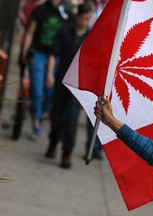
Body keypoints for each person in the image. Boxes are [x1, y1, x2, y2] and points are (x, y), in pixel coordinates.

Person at [44, 2, 93, 168]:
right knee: (57, 116)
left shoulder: (91, 38)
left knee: (71, 118)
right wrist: (50, 73)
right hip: (61, 82)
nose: (86, 22)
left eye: (89, 18)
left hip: (78, 86)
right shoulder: (65, 32)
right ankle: (53, 142)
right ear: (78, 17)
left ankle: (67, 152)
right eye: (84, 18)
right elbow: (53, 54)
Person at [21, 0, 72, 140]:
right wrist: (25, 52)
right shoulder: (40, 10)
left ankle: (42, 112)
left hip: (56, 59)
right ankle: (36, 122)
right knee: (36, 90)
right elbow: (30, 32)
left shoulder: (66, 13)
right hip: (38, 54)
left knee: (50, 93)